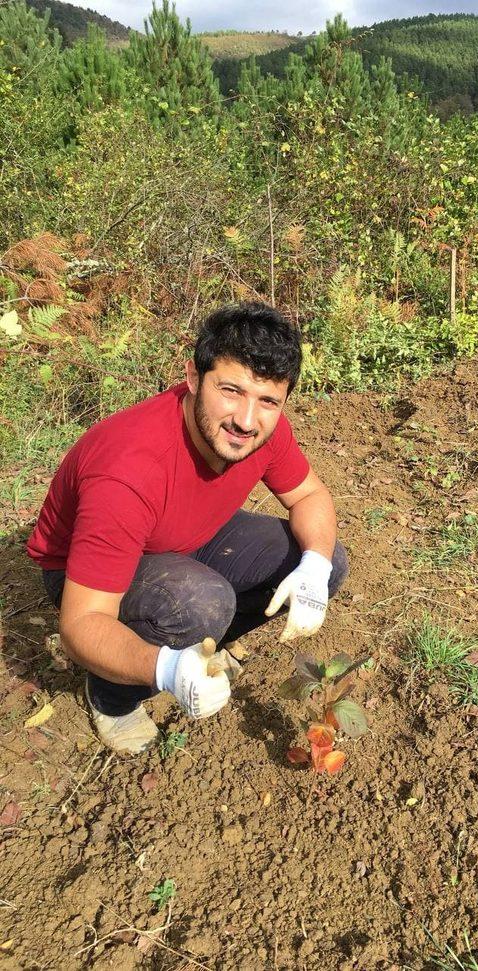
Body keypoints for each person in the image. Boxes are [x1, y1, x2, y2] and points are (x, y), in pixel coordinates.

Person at [26, 302, 348, 755]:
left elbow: (310, 497)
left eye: (268, 401)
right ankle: (113, 697)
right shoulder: (128, 471)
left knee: (326, 559)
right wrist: (165, 669)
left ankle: (203, 647)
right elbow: (81, 624)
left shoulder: (263, 430)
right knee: (199, 603)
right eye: (231, 390)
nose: (246, 420)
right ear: (194, 378)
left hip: (186, 535)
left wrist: (313, 567)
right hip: (86, 577)